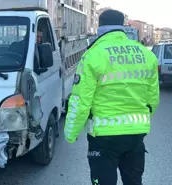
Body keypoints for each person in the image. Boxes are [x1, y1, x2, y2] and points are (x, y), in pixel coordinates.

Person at [64, 9, 159, 185]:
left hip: (103, 137)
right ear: (122, 26)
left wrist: (71, 133)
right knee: (134, 181)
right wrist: (139, 121)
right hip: (136, 134)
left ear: (100, 27)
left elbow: (80, 101)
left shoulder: (93, 55)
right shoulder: (147, 55)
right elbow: (152, 98)